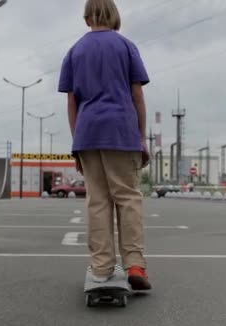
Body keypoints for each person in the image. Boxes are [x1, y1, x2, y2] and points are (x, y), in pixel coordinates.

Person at [58, 0, 151, 290]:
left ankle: (101, 267)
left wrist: (77, 141)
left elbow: (71, 102)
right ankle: (134, 263)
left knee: (97, 200)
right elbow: (137, 96)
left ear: (86, 19)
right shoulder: (126, 47)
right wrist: (141, 137)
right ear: (114, 16)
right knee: (127, 197)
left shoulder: (74, 51)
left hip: (88, 132)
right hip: (121, 131)